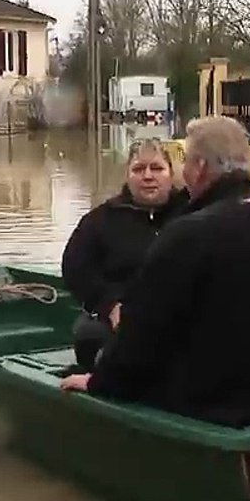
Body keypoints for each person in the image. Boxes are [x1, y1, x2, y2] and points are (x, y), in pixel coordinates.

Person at [59, 115, 250, 428]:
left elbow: (141, 338)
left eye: (185, 162)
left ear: (200, 167)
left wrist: (98, 382)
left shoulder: (186, 235)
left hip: (217, 405)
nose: (183, 172)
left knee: (96, 347)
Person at [60, 137, 189, 370]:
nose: (148, 176)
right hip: (120, 316)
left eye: (157, 168)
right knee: (89, 334)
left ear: (171, 173)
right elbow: (75, 268)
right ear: (127, 176)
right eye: (139, 169)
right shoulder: (101, 220)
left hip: (180, 315)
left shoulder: (192, 215)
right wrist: (109, 304)